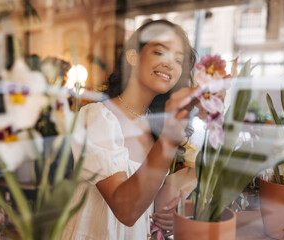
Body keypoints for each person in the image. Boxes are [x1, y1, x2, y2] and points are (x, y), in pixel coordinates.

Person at [61, 19, 197, 240]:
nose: (170, 64)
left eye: (178, 60)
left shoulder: (155, 125)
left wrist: (176, 212)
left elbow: (149, 203)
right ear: (133, 56)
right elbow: (126, 210)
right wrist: (170, 136)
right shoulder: (97, 117)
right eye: (161, 52)